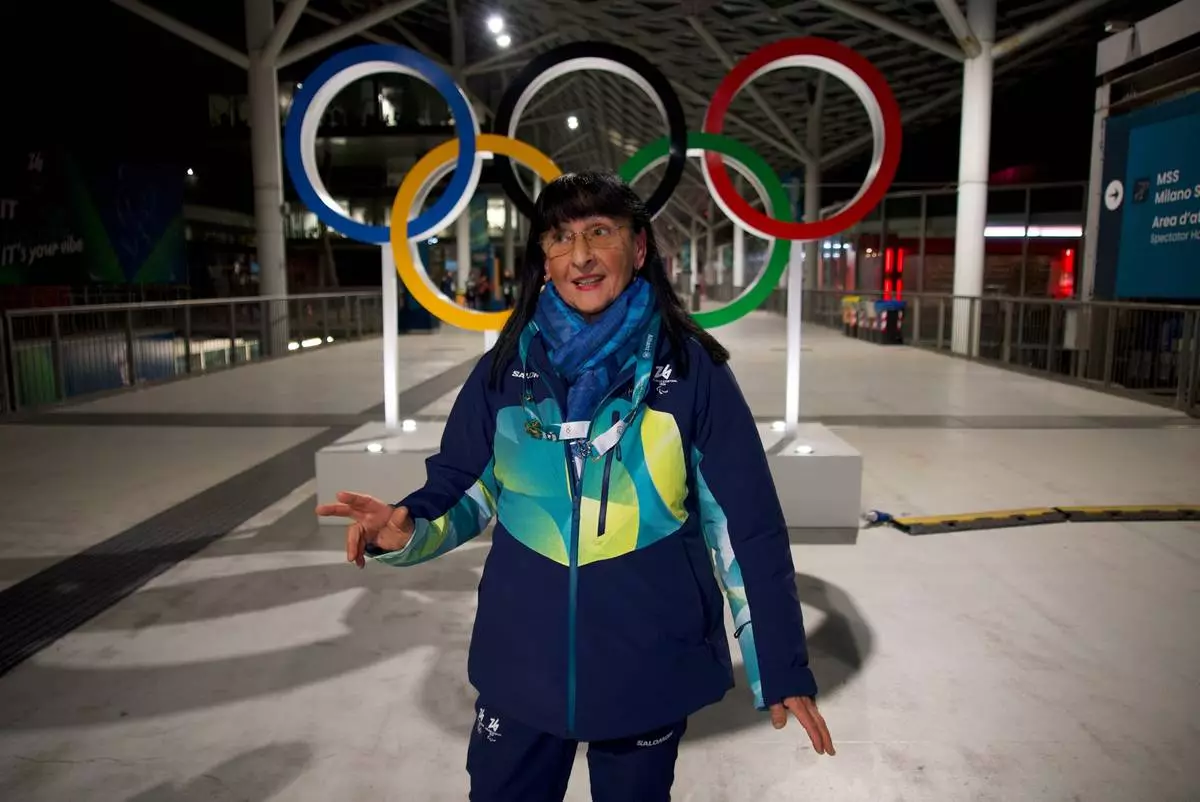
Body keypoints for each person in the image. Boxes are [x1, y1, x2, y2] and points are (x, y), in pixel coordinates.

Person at [316, 171, 834, 801]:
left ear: (638, 248)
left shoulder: (693, 371)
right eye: (561, 238)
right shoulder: (505, 368)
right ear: (544, 257)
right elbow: (464, 483)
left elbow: (743, 524)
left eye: (599, 232)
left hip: (647, 662)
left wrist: (778, 661)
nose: (580, 255)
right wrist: (406, 528)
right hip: (521, 661)